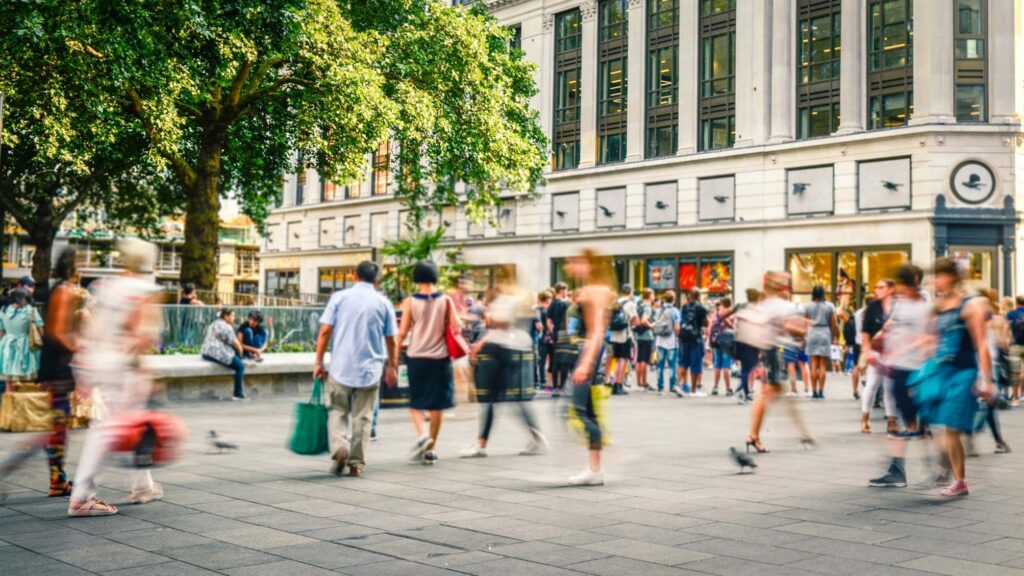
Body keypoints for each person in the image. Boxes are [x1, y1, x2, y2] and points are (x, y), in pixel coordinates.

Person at [68, 239, 164, 516]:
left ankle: (143, 485)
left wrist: (85, 375)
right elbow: (139, 335)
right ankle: (81, 496)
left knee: (128, 424)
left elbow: (92, 331)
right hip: (123, 368)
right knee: (108, 430)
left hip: (99, 363)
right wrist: (144, 372)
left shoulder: (106, 287)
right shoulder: (143, 291)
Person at [313, 261, 398, 477]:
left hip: (341, 367)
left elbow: (325, 331)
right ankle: (356, 463)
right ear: (376, 280)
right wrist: (392, 367)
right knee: (363, 416)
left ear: (354, 276)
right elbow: (391, 340)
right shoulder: (383, 303)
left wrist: (318, 362)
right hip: (370, 369)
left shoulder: (339, 298)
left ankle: (340, 446)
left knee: (337, 410)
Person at [920, 258, 993, 497]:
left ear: (951, 277)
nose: (935, 281)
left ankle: (958, 479)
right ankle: (955, 476)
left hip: (964, 373)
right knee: (943, 427)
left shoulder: (968, 306)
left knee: (951, 427)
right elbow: (930, 339)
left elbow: (981, 344)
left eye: (938, 276)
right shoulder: (936, 307)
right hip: (942, 372)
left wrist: (986, 379)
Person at [460, 281, 548, 458]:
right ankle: (536, 438)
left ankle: (482, 444)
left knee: (490, 400)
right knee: (508, 401)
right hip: (514, 350)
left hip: (500, 352)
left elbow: (502, 326)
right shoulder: (516, 300)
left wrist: (484, 334)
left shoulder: (503, 301)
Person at [868, 264, 932, 488]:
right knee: (904, 421)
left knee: (916, 423)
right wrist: (879, 339)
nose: (899, 288)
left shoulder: (924, 307)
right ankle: (898, 471)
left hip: (915, 369)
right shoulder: (899, 304)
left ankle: (932, 469)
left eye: (902, 284)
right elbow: (890, 328)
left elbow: (929, 337)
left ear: (911, 284)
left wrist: (907, 350)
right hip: (897, 367)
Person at [395, 260, 462, 466]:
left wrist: (394, 355)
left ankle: (423, 435)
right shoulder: (446, 300)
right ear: (435, 277)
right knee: (437, 405)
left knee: (415, 401)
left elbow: (403, 331)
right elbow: (457, 326)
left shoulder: (410, 301)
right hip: (440, 358)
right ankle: (432, 449)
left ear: (416, 278)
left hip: (417, 356)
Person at [745, 271, 814, 454]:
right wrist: (805, 325)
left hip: (769, 351)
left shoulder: (764, 306)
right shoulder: (780, 306)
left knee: (774, 392)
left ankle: (803, 433)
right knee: (768, 393)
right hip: (777, 351)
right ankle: (753, 435)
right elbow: (792, 327)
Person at [38, 248, 85, 498]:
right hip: (57, 367)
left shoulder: (62, 289)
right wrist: (79, 347)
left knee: (60, 423)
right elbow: (56, 332)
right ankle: (56, 481)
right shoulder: (64, 290)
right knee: (59, 424)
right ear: (72, 266)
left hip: (56, 365)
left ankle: (58, 478)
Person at [564, 250, 613, 486]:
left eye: (576, 261)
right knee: (586, 410)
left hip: (589, 353)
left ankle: (595, 468)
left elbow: (596, 332)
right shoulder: (596, 289)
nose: (570, 265)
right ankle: (595, 468)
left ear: (588, 264)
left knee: (581, 410)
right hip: (591, 352)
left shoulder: (594, 291)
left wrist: (585, 362)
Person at [861, 279, 898, 434]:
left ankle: (891, 421)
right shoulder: (872, 307)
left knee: (889, 388)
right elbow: (865, 333)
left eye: (881, 287)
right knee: (872, 385)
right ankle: (865, 418)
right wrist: (867, 352)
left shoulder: (898, 307)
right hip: (876, 351)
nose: (877, 290)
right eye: (876, 287)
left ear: (890, 289)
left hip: (893, 352)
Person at [201, 308, 247, 400]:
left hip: (206, 353)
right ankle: (238, 394)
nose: (234, 318)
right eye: (232, 315)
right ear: (226, 316)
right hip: (217, 353)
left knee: (235, 357)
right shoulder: (227, 327)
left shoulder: (214, 323)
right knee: (240, 366)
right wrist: (241, 353)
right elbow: (236, 343)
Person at [0, 288, 44, 383]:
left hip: (6, 344)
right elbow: (40, 329)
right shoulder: (30, 310)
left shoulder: (4, 310)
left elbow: (1, 331)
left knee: (8, 379)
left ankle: (9, 393)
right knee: (28, 378)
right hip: (26, 345)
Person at [804, 286, 837, 400]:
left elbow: (805, 322)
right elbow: (833, 323)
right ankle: (821, 392)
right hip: (825, 333)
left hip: (812, 332)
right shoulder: (830, 306)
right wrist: (834, 336)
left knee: (813, 363)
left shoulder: (807, 306)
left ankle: (814, 392)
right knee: (822, 364)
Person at [608, 284, 638, 396]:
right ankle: (619, 384)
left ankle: (614, 385)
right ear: (629, 292)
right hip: (625, 335)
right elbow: (636, 320)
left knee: (616, 360)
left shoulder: (615, 302)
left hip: (614, 335)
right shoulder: (630, 304)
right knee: (623, 360)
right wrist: (632, 324)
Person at [552, 289, 584, 397]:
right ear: (575, 297)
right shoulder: (572, 308)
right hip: (568, 338)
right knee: (566, 363)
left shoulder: (572, 307)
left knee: (567, 363)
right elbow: (570, 326)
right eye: (581, 296)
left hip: (565, 336)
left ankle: (563, 387)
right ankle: (563, 388)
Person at [678, 288, 709, 395]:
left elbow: (682, 320)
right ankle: (694, 390)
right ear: (699, 296)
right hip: (696, 338)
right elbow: (706, 323)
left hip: (684, 337)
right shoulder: (701, 308)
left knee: (683, 362)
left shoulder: (684, 307)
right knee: (695, 364)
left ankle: (678, 385)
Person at [654, 291, 681, 396]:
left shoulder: (658, 310)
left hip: (660, 340)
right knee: (672, 365)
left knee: (660, 365)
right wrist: (678, 335)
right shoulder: (675, 311)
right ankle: (672, 387)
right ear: (673, 299)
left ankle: (660, 387)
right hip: (671, 341)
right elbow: (677, 327)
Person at [708, 298, 735, 396]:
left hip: (716, 341)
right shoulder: (732, 314)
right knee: (726, 366)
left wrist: (710, 341)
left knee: (717, 365)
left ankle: (715, 387)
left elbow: (710, 327)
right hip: (727, 342)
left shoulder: (716, 314)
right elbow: (734, 328)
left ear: (722, 304)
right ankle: (728, 388)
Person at [634, 288, 656, 391]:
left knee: (639, 360)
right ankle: (644, 382)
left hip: (639, 335)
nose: (654, 297)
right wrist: (651, 325)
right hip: (647, 335)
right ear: (650, 295)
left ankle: (639, 382)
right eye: (653, 294)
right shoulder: (647, 307)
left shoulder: (639, 305)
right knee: (644, 360)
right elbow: (644, 320)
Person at [1006, 294, 1024, 408]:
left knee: (1015, 373)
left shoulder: (1010, 314)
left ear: (1016, 303)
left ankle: (1015, 398)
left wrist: (1006, 343)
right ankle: (1023, 394)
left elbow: (1006, 329)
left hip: (1015, 346)